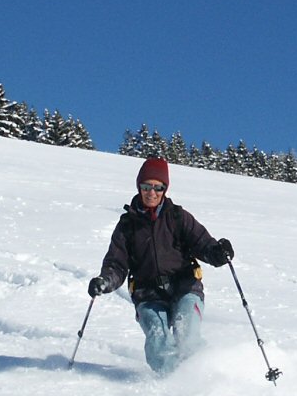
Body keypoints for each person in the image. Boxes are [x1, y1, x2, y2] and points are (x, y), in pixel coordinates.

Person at [88, 156, 234, 375]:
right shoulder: (127, 226)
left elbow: (203, 244)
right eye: (147, 186)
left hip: (185, 287)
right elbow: (116, 263)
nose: (152, 193)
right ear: (139, 187)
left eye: (158, 187)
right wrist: (105, 281)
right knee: (158, 342)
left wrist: (218, 253)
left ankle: (206, 377)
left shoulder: (177, 217)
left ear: (165, 189)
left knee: (188, 335)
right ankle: (175, 382)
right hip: (148, 294)